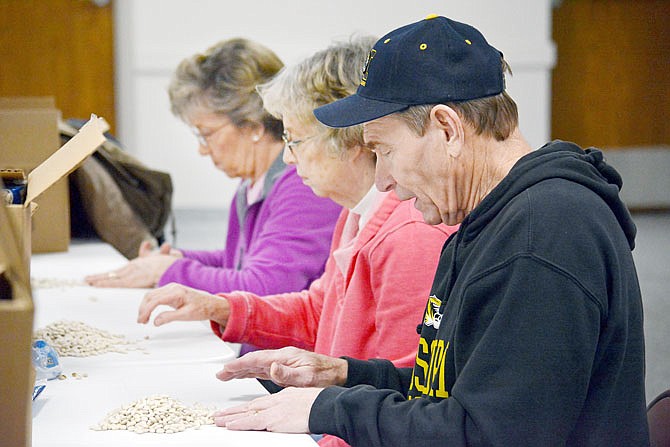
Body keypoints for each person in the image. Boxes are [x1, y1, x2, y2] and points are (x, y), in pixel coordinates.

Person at [209, 15, 650, 446]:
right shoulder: (487, 219)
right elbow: (451, 388)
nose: (382, 181)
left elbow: (492, 433)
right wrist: (343, 374)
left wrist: (329, 408)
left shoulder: (543, 235)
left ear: (447, 128)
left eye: (384, 150)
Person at [136, 35, 457, 446]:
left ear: (353, 137)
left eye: (295, 141)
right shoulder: (357, 212)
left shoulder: (410, 233)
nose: (287, 158)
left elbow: (402, 400)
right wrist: (222, 306)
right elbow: (318, 310)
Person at [85, 38, 340, 304]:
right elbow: (240, 262)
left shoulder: (302, 186)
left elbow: (264, 286)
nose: (202, 150)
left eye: (206, 134)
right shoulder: (253, 184)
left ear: (253, 126)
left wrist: (168, 271)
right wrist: (180, 259)